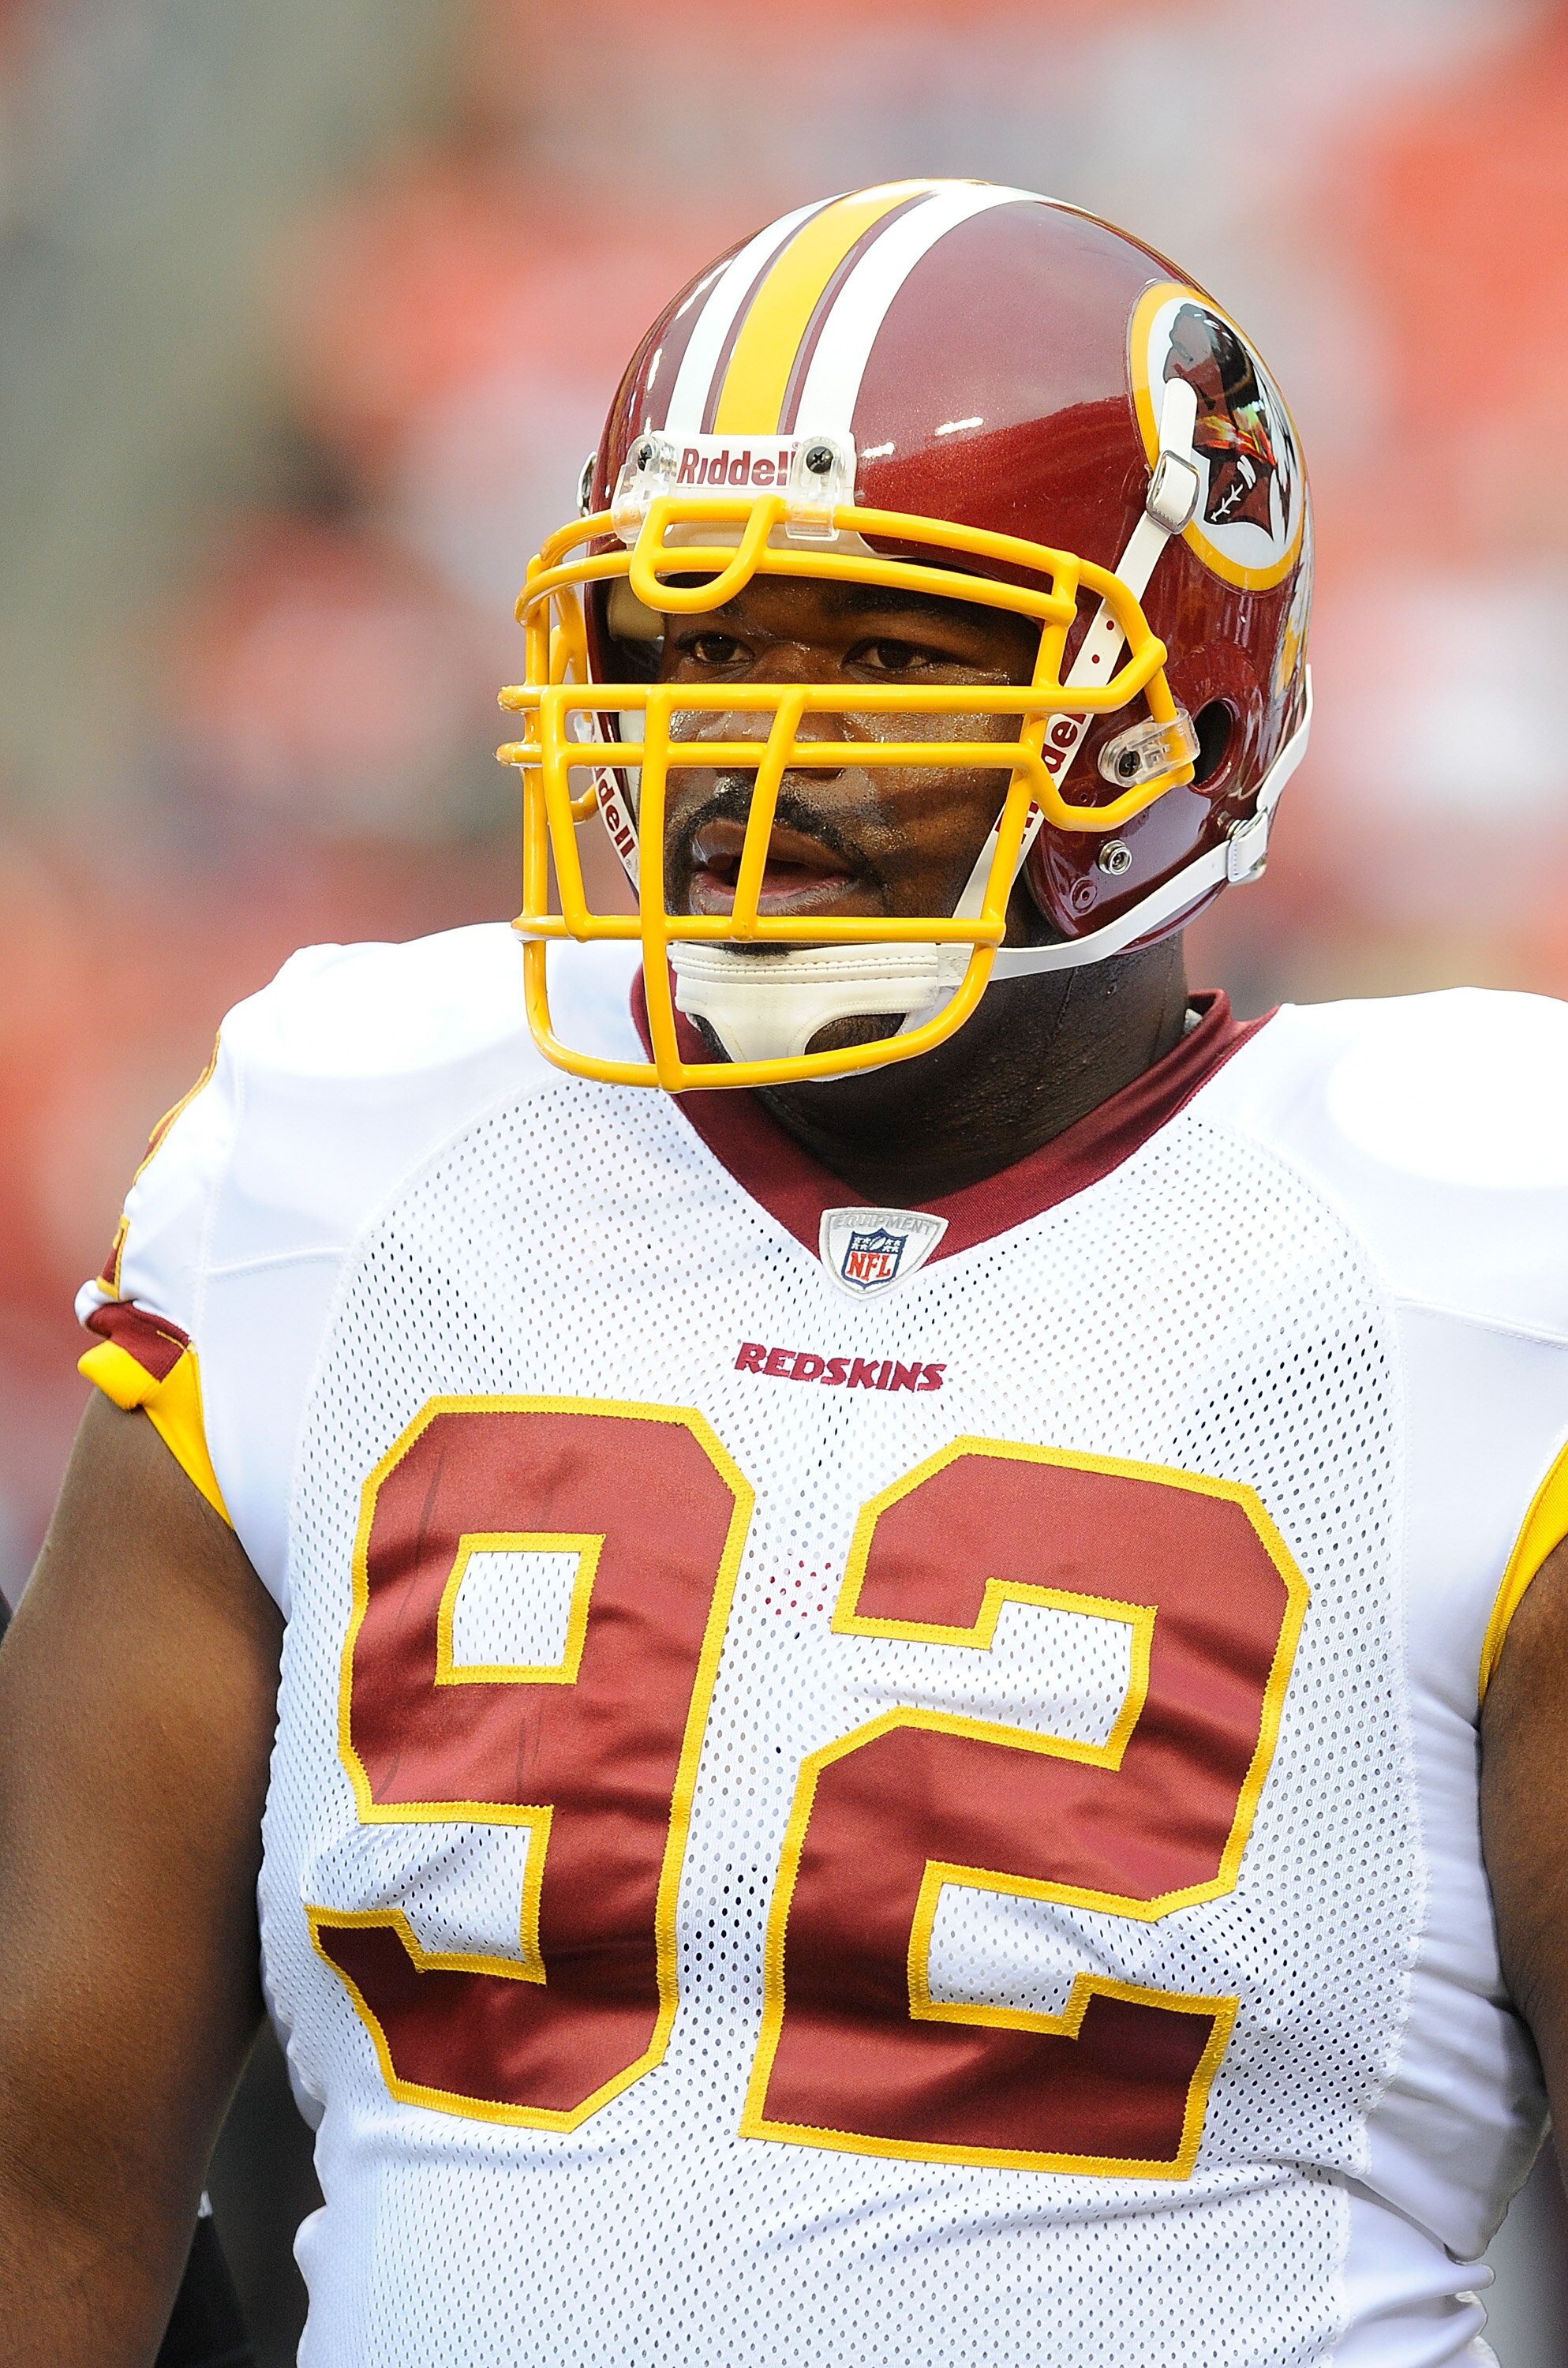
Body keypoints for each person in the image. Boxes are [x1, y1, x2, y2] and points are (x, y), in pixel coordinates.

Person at [0, 177, 1565, 2368]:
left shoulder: (1487, 1252)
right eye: (693, 649)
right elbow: (38, 2172)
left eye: (893, 656)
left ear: (1176, 702)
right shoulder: (337, 1162)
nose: (756, 745)